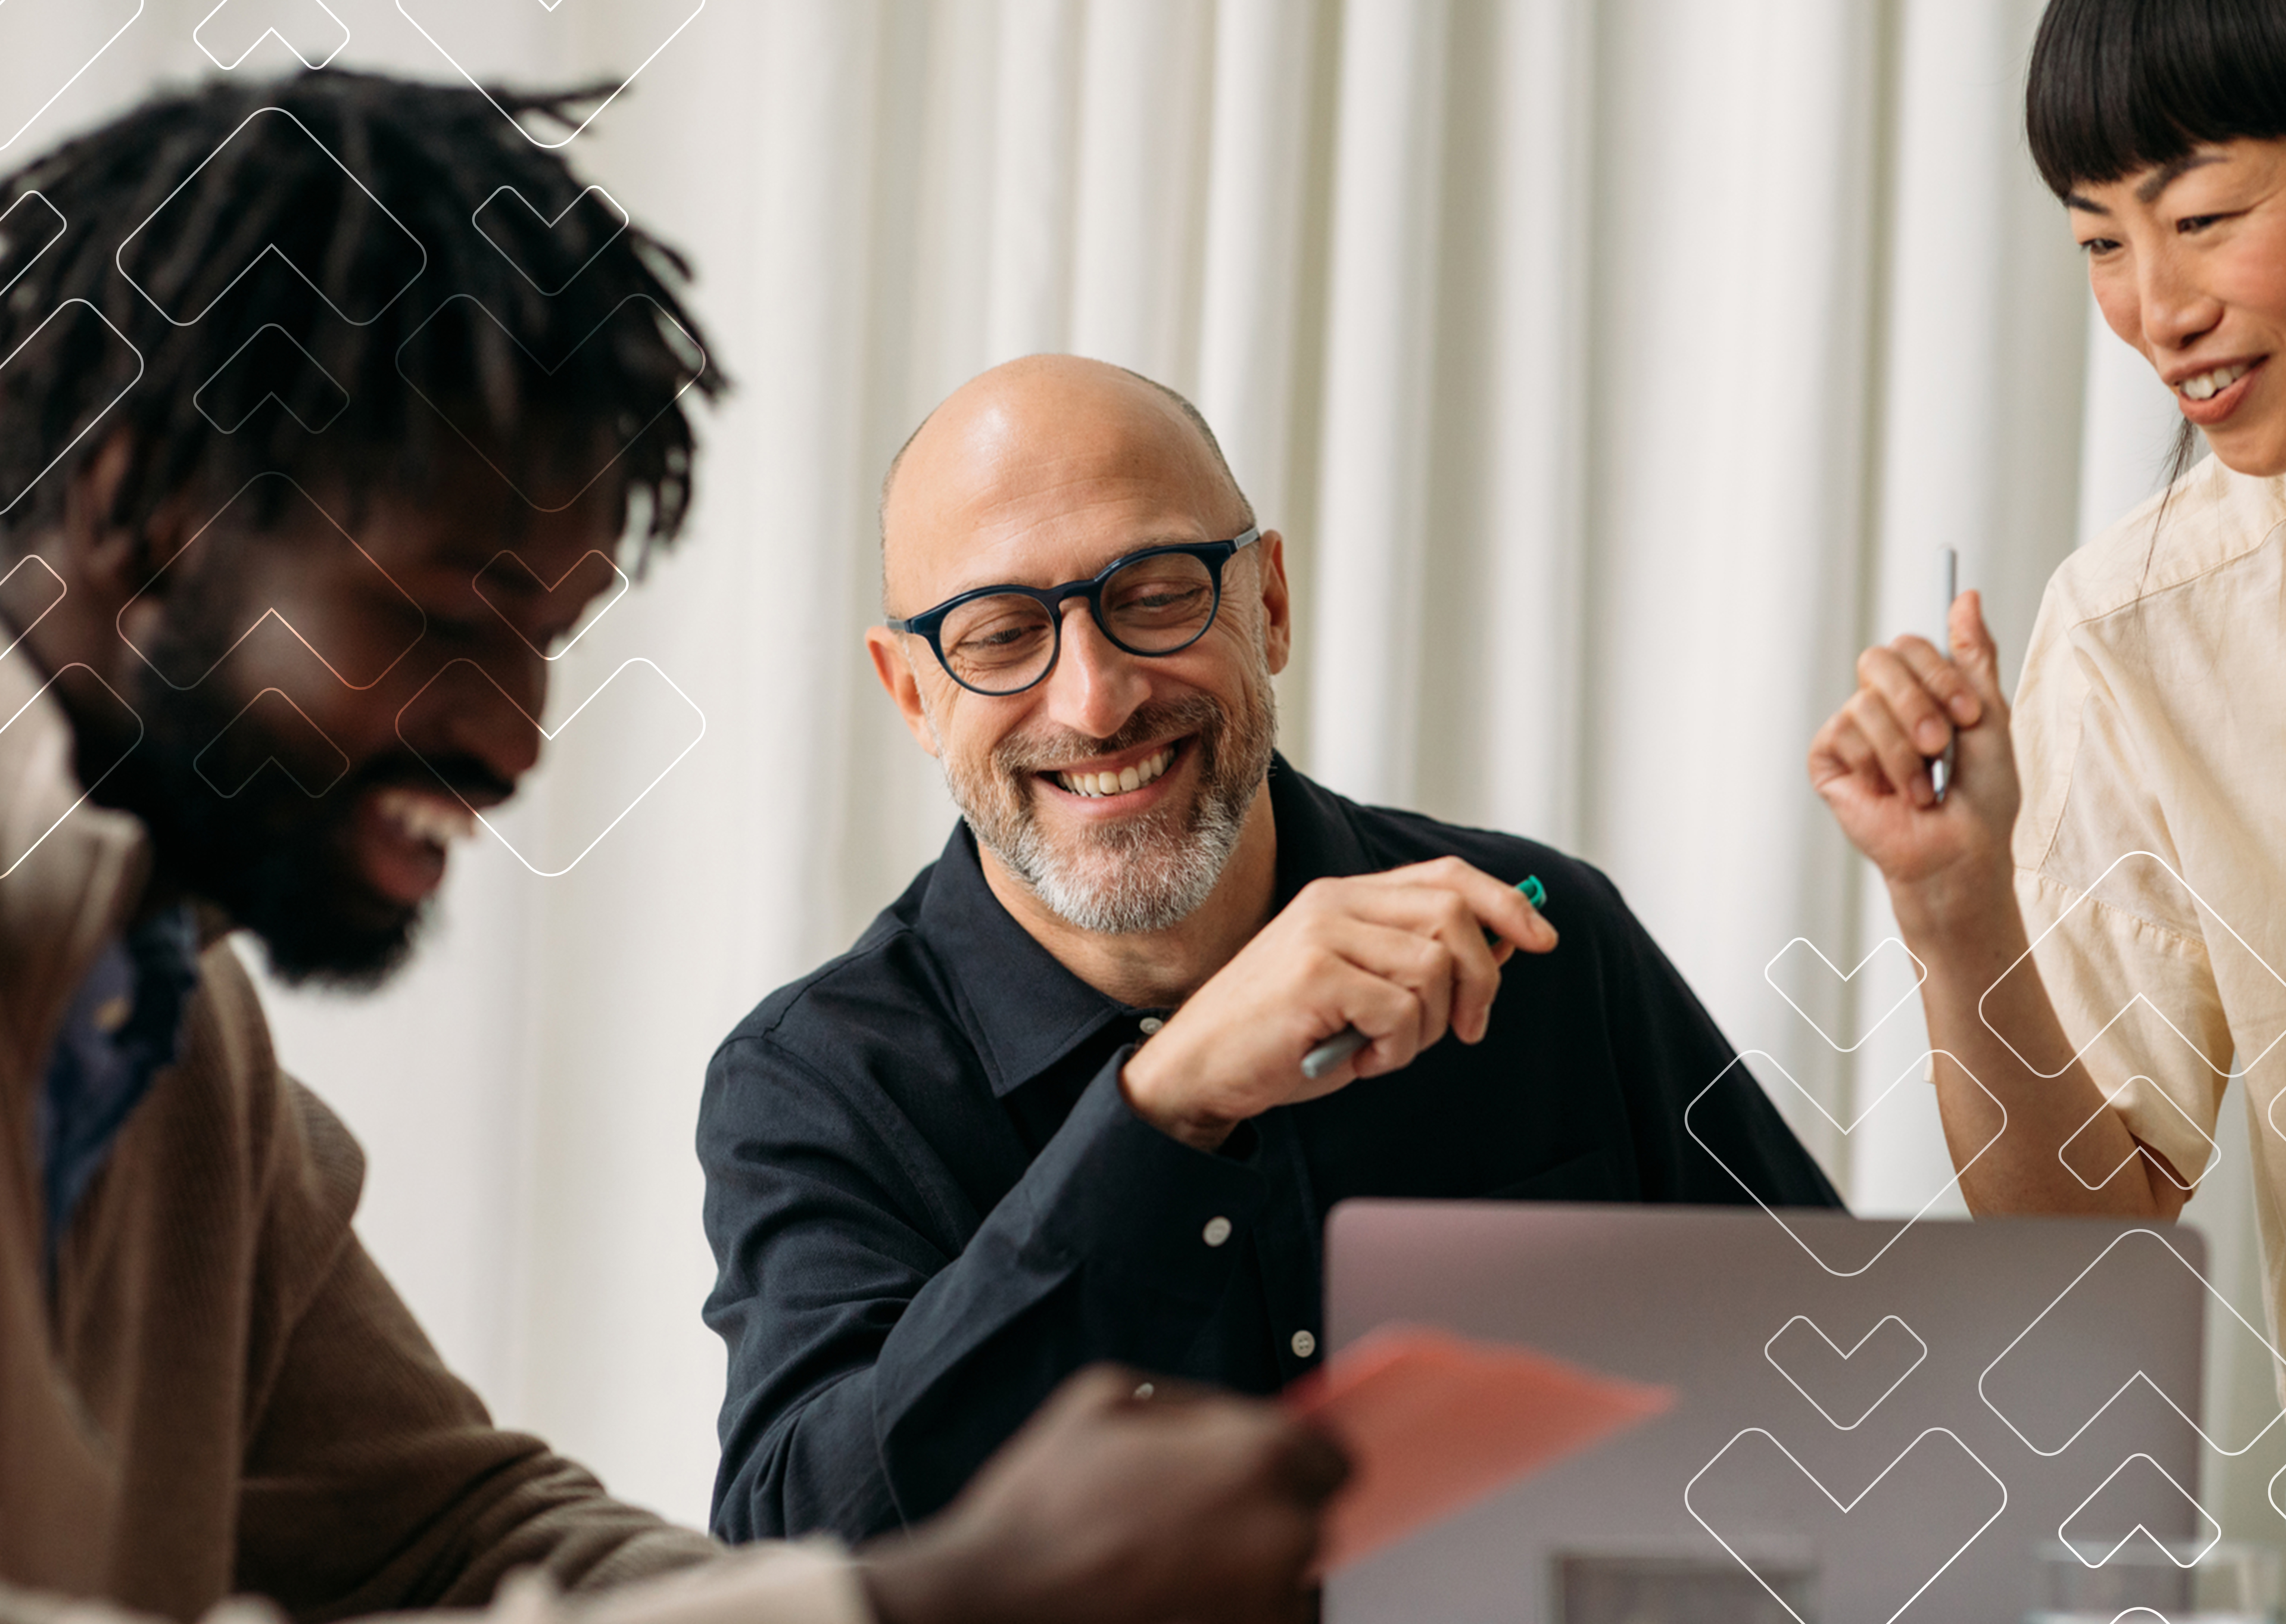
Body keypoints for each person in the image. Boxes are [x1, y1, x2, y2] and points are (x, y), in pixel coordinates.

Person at [0, 70, 1348, 1624]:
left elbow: (451, 1535)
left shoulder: (173, 1035)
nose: (514, 740)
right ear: (145, 516)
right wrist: (945, 1596)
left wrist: (922, 1593)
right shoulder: (823, 1069)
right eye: (444, 614)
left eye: (551, 638)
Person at [697, 352, 1841, 1545]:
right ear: (915, 698)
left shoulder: (1547, 940)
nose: (1094, 703)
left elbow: (1850, 1386)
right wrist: (1165, 1108)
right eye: (997, 636)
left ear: (1271, 607)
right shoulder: (817, 1082)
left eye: (1151, 595)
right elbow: (800, 1553)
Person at [1807, 0, 2286, 1615]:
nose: (2154, 308)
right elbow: (2092, 1238)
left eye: (2205, 216)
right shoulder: (2148, 625)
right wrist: (1959, 916)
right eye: (2100, 240)